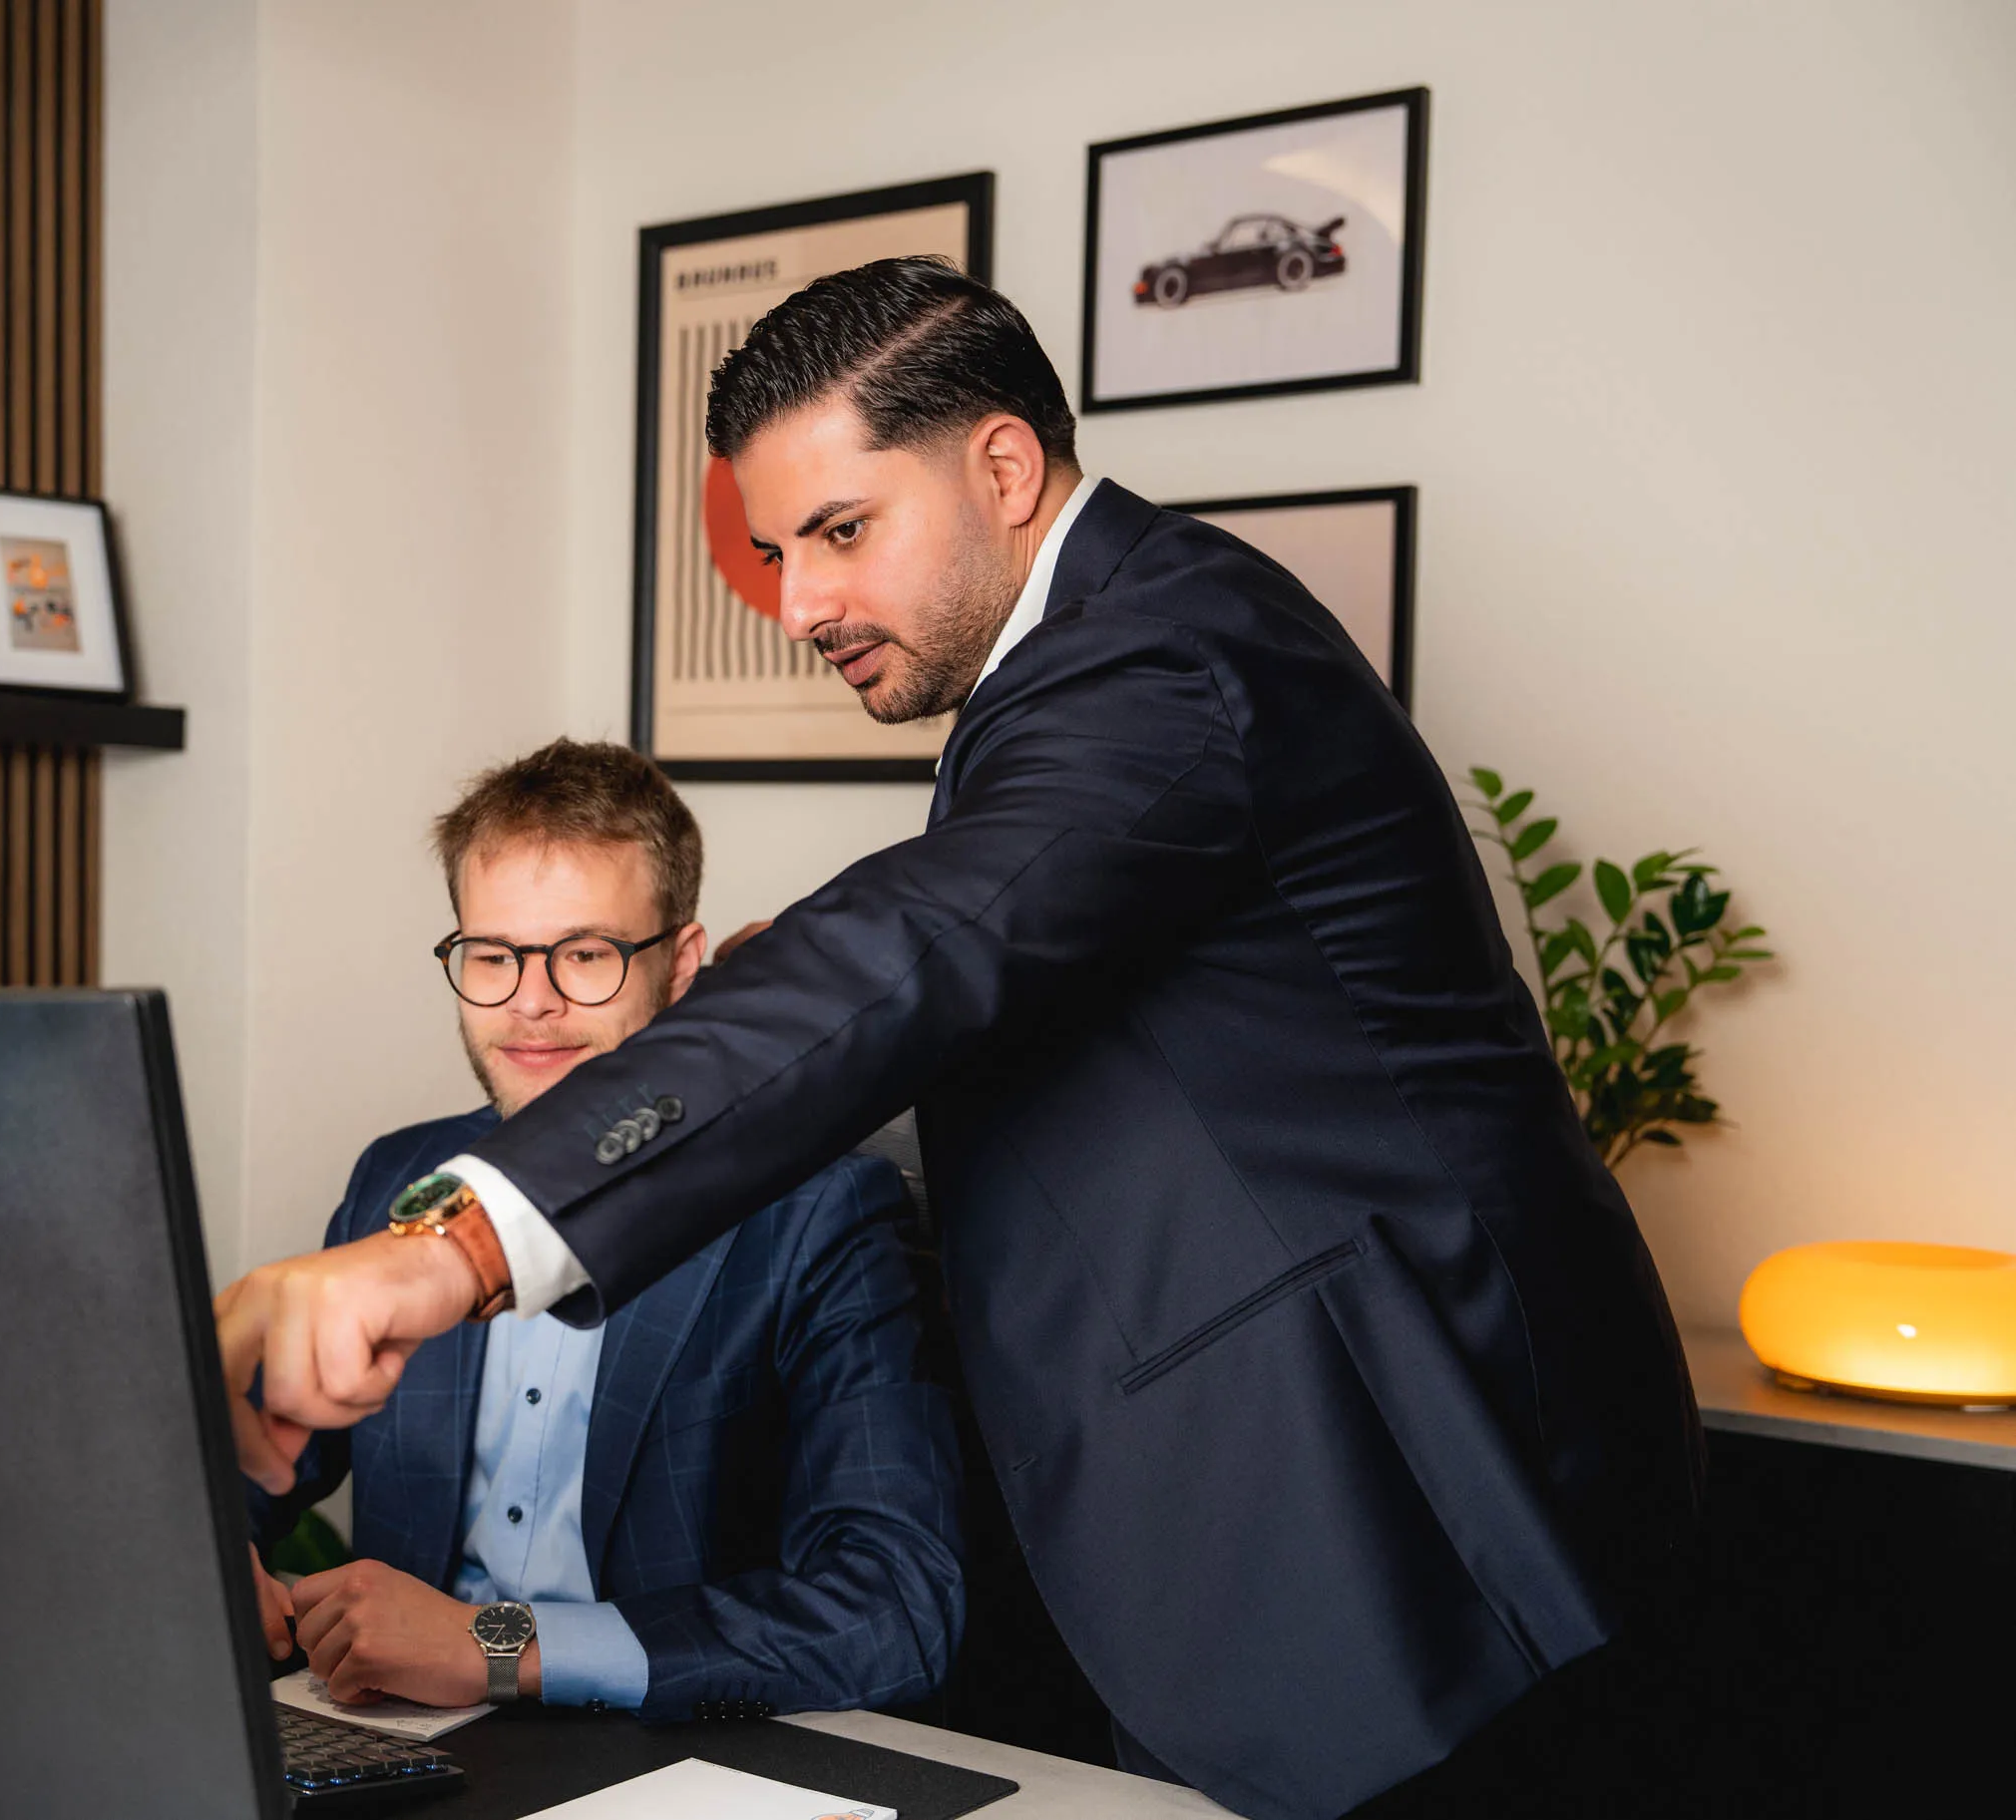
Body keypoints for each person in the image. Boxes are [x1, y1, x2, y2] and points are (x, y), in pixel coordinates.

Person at [214, 259, 1703, 1820]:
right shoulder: (1087, 680)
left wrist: (447, 1249)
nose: (799, 605)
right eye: (776, 550)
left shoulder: (1163, 646)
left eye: (842, 533)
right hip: (1265, 1549)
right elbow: (985, 962)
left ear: (1000, 465)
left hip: (1428, 1532)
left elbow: (919, 947)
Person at [244, 739, 963, 1722]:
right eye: (491, 955)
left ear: (679, 966)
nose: (528, 1002)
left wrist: (494, 1648)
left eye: (583, 955)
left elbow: (896, 1610)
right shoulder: (396, 1183)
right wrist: (212, 1554)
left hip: (664, 1762)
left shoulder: (815, 1212)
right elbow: (241, 1466)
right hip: (401, 1748)